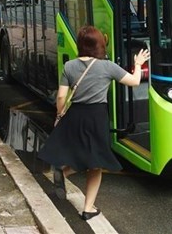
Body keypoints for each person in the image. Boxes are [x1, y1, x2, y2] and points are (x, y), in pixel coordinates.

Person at [38, 25, 150, 221]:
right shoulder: (106, 66)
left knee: (80, 153)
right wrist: (138, 63)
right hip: (96, 116)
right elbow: (133, 81)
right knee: (95, 163)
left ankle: (62, 173)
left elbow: (61, 97)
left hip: (75, 114)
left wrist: (60, 114)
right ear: (99, 44)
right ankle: (88, 208)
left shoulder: (69, 66)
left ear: (80, 45)